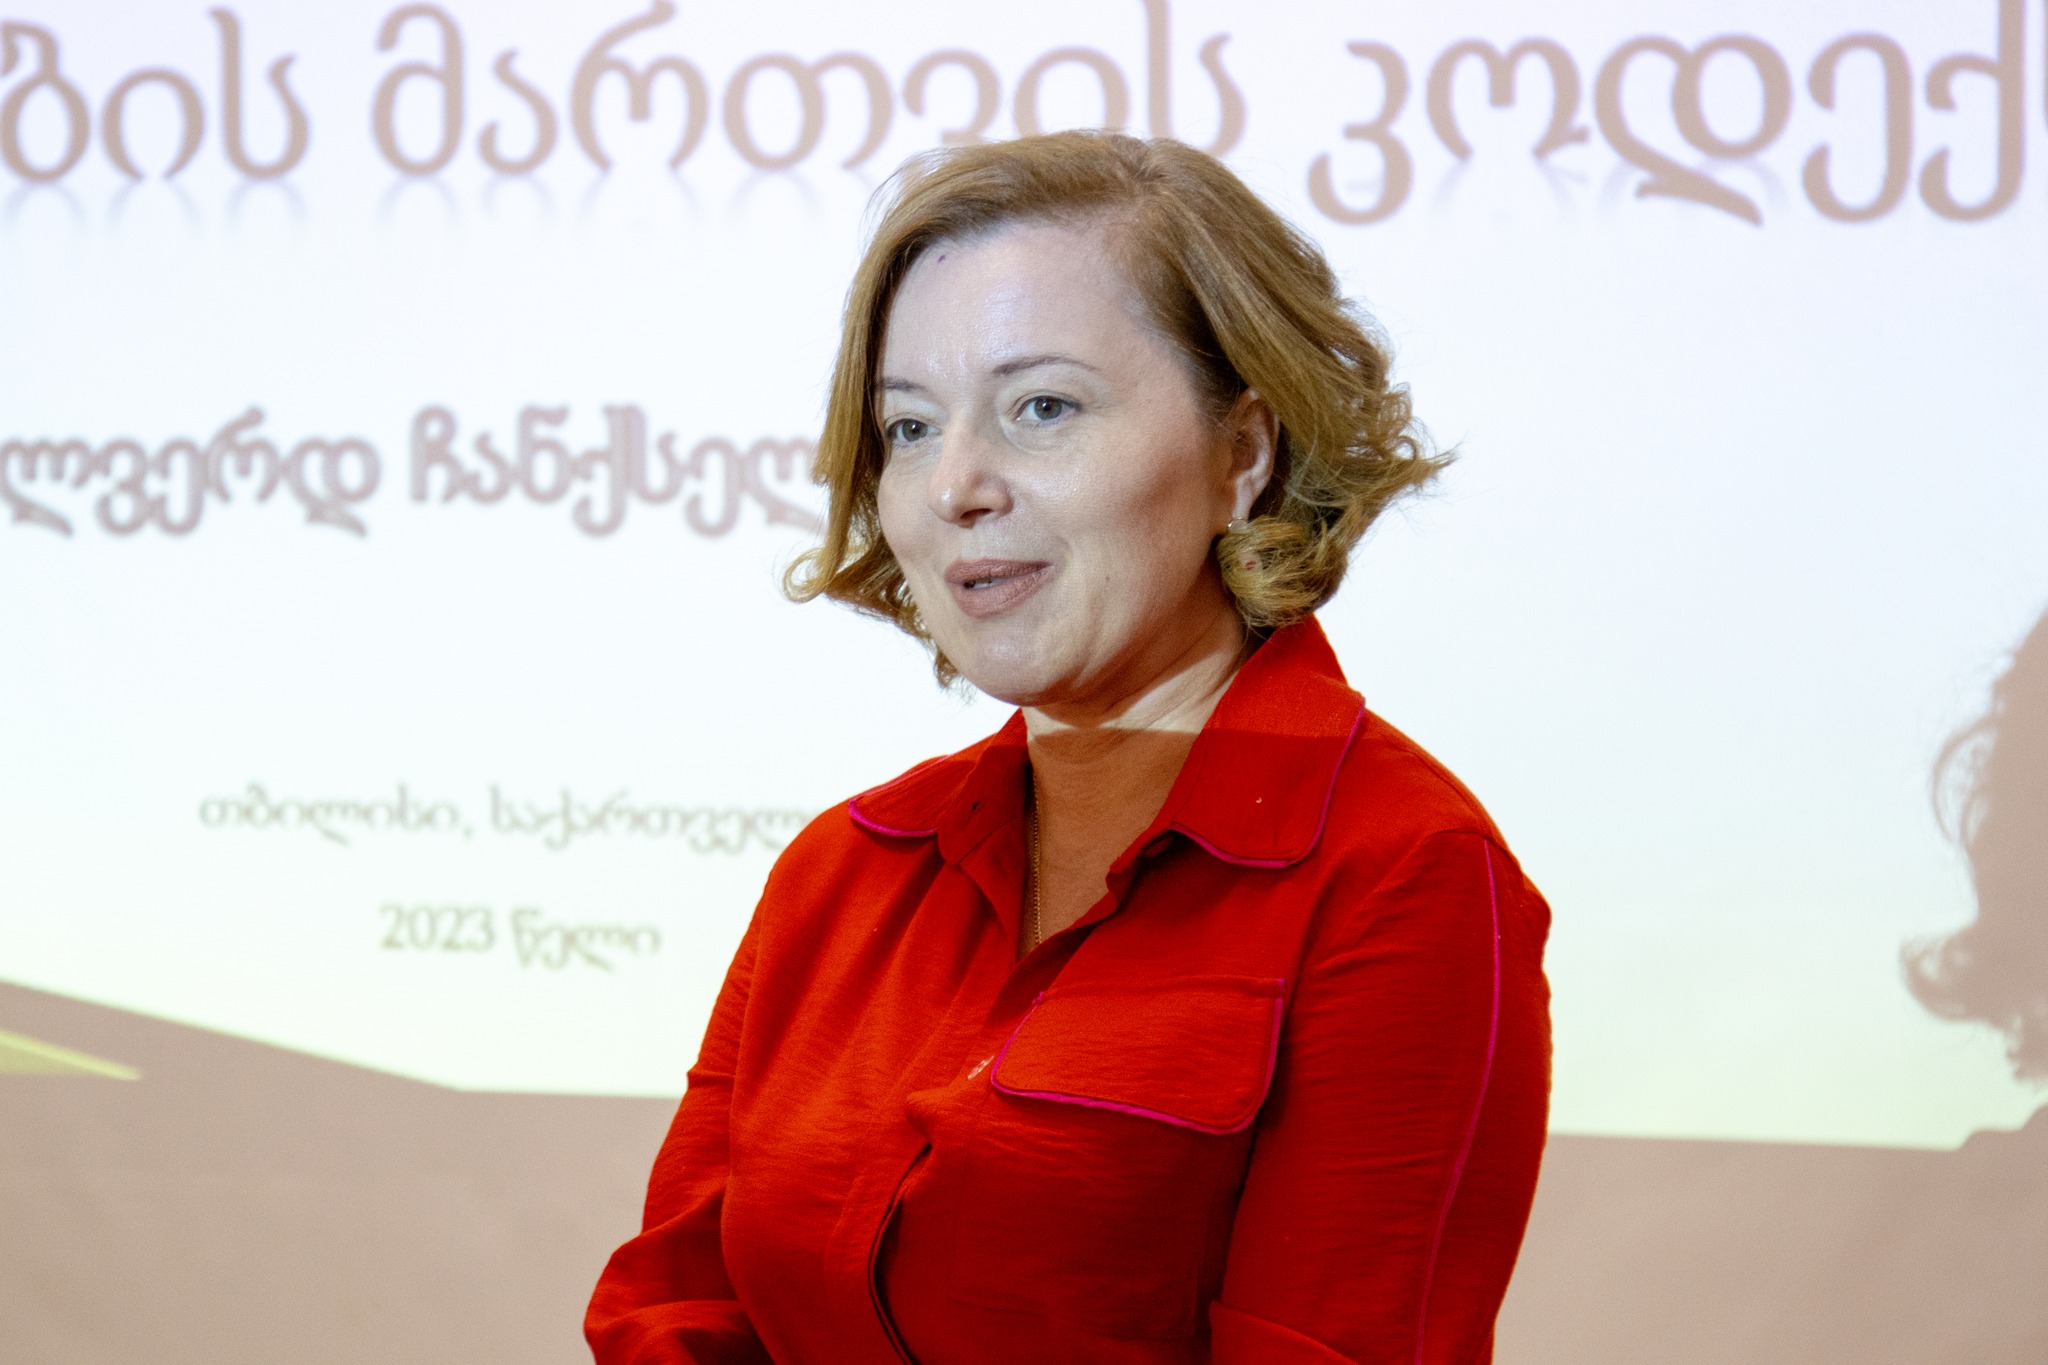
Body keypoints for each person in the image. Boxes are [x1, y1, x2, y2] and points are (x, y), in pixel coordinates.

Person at [586, 131, 1552, 1365]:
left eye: (1040, 408)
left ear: (1241, 454)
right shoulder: (840, 870)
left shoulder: (1405, 874)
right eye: (909, 427)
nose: (955, 486)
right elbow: (673, 1307)